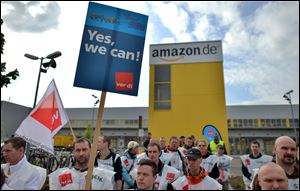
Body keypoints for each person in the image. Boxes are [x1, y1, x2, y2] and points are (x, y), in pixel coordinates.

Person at [49, 137, 115, 190]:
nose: (81, 154)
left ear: (90, 151)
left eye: (84, 150)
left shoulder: (103, 175)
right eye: (78, 150)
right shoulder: (59, 175)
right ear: (73, 152)